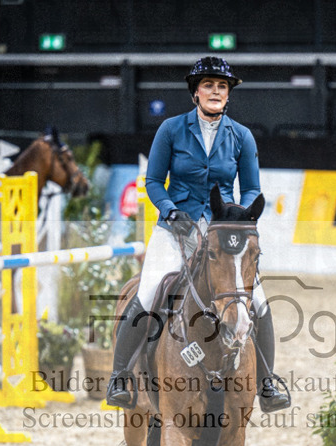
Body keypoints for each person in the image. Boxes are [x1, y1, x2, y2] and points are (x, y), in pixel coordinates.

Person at [105, 56, 290, 413]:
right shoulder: (171, 130)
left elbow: (251, 188)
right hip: (176, 228)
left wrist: (240, 214)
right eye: (209, 85)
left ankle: (267, 383)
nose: (216, 91)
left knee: (259, 300)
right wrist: (170, 209)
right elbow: (154, 182)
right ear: (195, 93)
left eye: (222, 86)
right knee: (148, 289)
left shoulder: (242, 136)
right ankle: (119, 377)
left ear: (228, 94)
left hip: (222, 231)